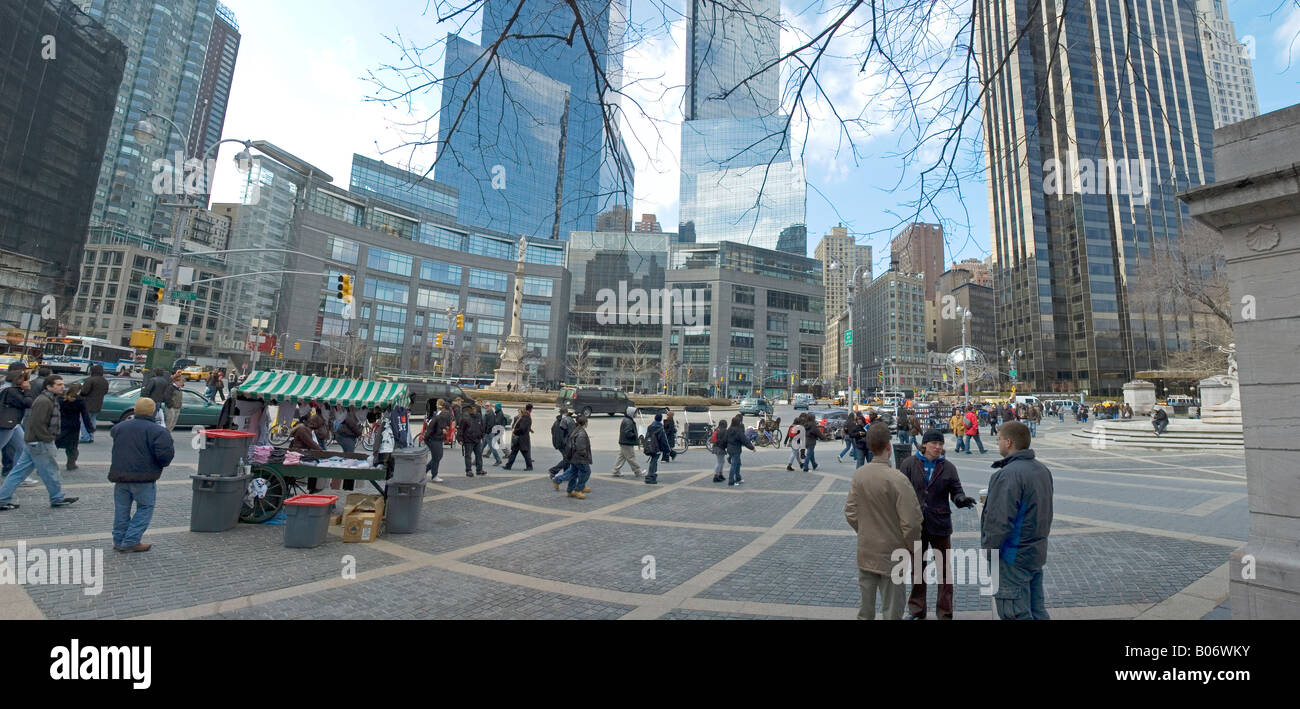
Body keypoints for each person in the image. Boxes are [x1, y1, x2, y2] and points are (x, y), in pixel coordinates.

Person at [844, 422, 922, 620]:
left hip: (866, 549)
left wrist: (865, 531)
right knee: (893, 610)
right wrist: (912, 546)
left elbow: (850, 512)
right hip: (894, 553)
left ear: (870, 446)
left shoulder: (859, 475)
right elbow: (911, 522)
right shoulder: (898, 479)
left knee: (866, 609)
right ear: (889, 446)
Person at [898, 430, 977, 620]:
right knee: (918, 568)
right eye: (934, 443)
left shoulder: (948, 467)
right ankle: (917, 610)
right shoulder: (908, 464)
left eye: (941, 444)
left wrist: (961, 499)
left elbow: (956, 491)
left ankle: (945, 612)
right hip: (916, 526)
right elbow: (900, 493)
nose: (939, 447)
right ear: (924, 445)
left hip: (940, 524)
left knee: (944, 570)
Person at [982, 421, 1054, 620]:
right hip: (1035, 551)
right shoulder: (1041, 470)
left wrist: (989, 550)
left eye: (998, 439)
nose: (997, 443)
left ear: (1009, 442)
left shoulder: (1007, 475)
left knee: (1015, 613)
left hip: (1012, 555)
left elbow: (999, 521)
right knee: (1037, 610)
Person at [0, 375, 79, 511]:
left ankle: (3, 498)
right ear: (49, 387)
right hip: (40, 442)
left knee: (19, 472)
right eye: (59, 384)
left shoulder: (49, 399)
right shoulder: (44, 401)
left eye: (62, 384)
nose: (62, 387)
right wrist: (47, 438)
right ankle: (57, 497)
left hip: (35, 441)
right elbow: (37, 423)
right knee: (50, 471)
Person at [107, 396, 174, 552]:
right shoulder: (158, 431)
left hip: (120, 475)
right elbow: (165, 456)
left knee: (121, 509)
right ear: (153, 412)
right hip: (144, 477)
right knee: (145, 508)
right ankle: (131, 540)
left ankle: (119, 540)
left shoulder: (120, 427)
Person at [0, 372, 37, 487]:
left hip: (13, 423)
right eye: (26, 380)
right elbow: (28, 403)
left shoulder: (12, 390)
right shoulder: (10, 390)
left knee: (22, 447)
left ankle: (19, 476)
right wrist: (27, 390)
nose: (28, 382)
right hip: (7, 423)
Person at [56, 381, 93, 470]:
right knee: (72, 447)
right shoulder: (80, 401)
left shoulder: (60, 399)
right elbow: (85, 415)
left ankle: (46, 464)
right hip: (73, 426)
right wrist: (89, 428)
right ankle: (71, 464)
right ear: (79, 391)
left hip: (61, 424)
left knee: (55, 444)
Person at [562, 415, 593, 499]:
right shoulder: (582, 433)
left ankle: (570, 490)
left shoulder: (576, 430)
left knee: (573, 473)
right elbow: (581, 448)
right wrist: (585, 455)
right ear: (585, 423)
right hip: (580, 458)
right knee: (586, 472)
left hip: (573, 457)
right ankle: (578, 490)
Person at [423, 400, 451, 482]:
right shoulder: (439, 416)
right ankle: (434, 475)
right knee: (437, 457)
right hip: (434, 439)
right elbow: (432, 428)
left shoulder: (442, 415)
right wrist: (442, 431)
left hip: (436, 438)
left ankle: (423, 472)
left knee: (438, 457)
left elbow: (442, 426)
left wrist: (444, 429)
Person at [80, 364, 109, 443]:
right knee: (93, 420)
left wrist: (80, 394)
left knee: (84, 421)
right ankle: (91, 437)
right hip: (98, 403)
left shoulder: (90, 380)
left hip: (87, 403)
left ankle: (85, 437)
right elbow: (106, 391)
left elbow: (84, 392)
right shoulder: (104, 381)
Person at [724, 413, 755, 486]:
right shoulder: (738, 431)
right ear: (738, 422)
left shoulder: (729, 429)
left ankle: (738, 478)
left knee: (737, 464)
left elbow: (725, 439)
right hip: (736, 450)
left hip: (730, 449)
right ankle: (731, 481)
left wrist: (724, 447)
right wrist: (752, 447)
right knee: (734, 465)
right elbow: (745, 440)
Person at [612, 406, 643, 478]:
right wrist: (634, 436)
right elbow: (628, 433)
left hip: (623, 442)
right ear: (631, 413)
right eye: (635, 413)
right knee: (631, 457)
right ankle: (638, 472)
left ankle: (616, 471)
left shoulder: (626, 419)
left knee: (621, 457)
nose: (636, 414)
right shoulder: (628, 421)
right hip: (627, 442)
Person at [502, 403, 533, 470]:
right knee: (514, 452)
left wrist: (515, 431)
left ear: (523, 412)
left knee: (525, 453)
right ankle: (508, 466)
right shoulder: (520, 418)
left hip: (522, 438)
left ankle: (529, 466)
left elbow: (522, 428)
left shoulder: (525, 418)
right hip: (519, 439)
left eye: (520, 412)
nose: (518, 413)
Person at [547, 406, 576, 479]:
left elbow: (552, 431)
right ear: (567, 412)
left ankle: (566, 475)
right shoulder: (568, 421)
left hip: (558, 442)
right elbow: (572, 433)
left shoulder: (557, 421)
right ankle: (553, 470)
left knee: (566, 458)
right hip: (565, 443)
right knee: (568, 459)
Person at [458, 403, 486, 476]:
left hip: (477, 440)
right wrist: (460, 439)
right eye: (472, 408)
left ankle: (479, 470)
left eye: (474, 408)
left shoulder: (479, 417)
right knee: (468, 456)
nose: (473, 410)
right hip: (468, 441)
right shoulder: (465, 418)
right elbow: (460, 430)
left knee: (479, 455)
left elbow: (482, 427)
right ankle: (468, 470)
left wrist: (483, 436)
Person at [644, 413, 671, 485]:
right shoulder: (660, 428)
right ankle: (650, 475)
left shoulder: (649, 427)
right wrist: (667, 449)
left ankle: (652, 473)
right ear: (661, 419)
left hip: (649, 446)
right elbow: (663, 440)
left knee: (653, 460)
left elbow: (647, 436)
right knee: (654, 461)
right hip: (657, 448)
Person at [711, 419, 729, 483]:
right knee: (719, 462)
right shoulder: (724, 430)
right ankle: (716, 476)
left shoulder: (717, 429)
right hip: (720, 448)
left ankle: (720, 474)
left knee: (721, 461)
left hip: (716, 446)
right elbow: (725, 440)